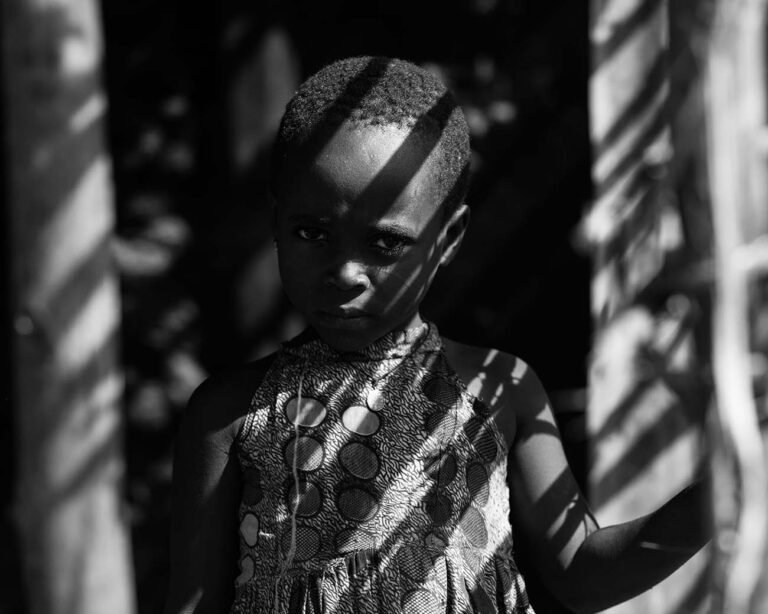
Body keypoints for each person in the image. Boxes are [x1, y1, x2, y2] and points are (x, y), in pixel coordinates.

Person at [163, 56, 710, 614]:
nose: (346, 273)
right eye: (312, 233)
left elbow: (582, 575)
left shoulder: (498, 388)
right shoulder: (230, 413)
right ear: (277, 225)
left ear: (448, 240)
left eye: (385, 244)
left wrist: (713, 499)